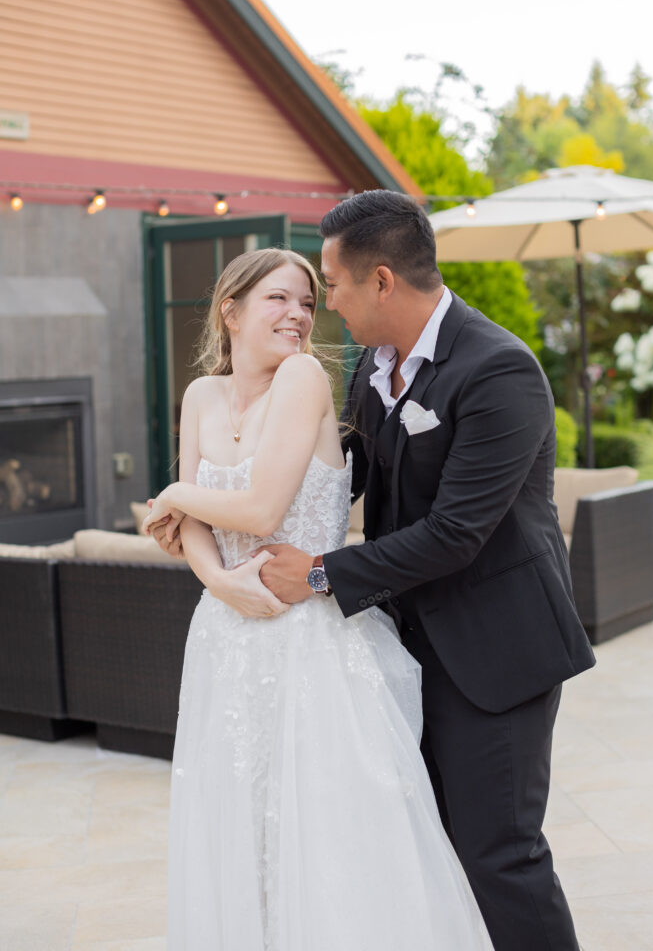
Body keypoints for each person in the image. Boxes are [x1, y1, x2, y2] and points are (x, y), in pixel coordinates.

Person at [238, 191, 597, 950]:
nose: (323, 302)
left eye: (330, 283)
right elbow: (355, 469)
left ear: (380, 282)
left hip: (496, 649)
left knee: (499, 854)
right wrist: (240, 496)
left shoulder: (499, 370)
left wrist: (320, 573)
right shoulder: (374, 362)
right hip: (402, 642)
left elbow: (455, 534)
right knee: (421, 845)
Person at [144, 247, 494, 950]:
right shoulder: (200, 397)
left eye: (307, 300)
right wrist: (217, 583)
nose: (300, 315)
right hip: (225, 638)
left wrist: (175, 493)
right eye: (279, 299)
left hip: (311, 642)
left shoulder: (303, 378)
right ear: (230, 310)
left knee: (327, 833)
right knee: (240, 826)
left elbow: (263, 507)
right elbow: (195, 533)